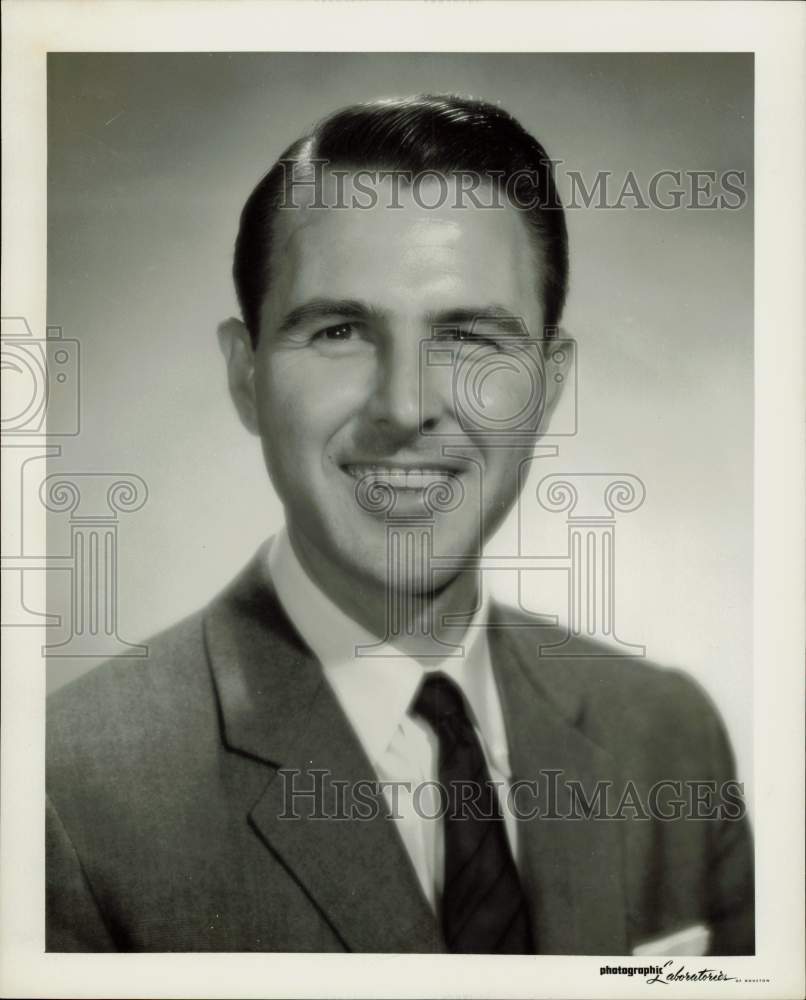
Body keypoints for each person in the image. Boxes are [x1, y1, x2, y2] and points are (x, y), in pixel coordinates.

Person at [46, 95, 754, 954]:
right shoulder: (63, 798)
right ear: (245, 376)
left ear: (549, 386)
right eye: (340, 330)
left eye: (468, 337)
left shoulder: (670, 739)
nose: (406, 407)